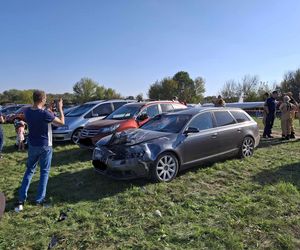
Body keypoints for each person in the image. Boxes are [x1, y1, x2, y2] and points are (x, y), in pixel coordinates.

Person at [14, 90, 65, 212]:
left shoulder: (27, 111)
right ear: (42, 99)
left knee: (29, 171)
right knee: (44, 173)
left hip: (32, 145)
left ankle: (21, 199)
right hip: (45, 146)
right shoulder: (44, 114)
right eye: (45, 98)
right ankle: (39, 199)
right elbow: (62, 123)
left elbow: (40, 114)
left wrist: (49, 109)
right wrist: (60, 108)